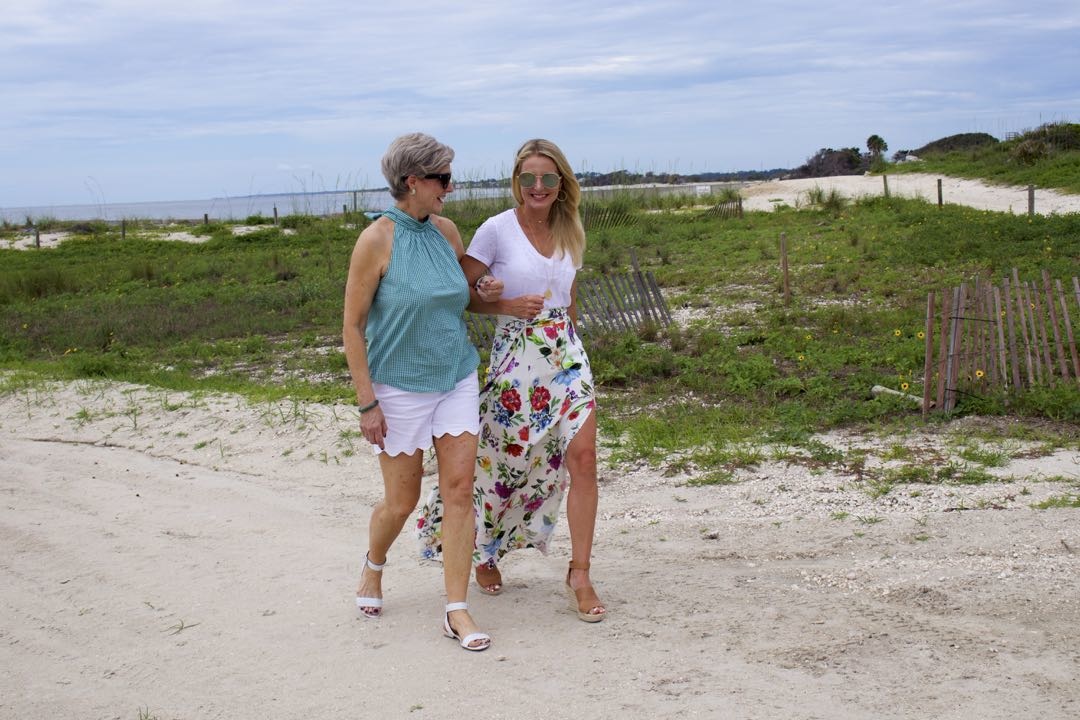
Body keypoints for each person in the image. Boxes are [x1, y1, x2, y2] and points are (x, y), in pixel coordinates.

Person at [417, 138, 606, 622]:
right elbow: (460, 293)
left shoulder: (570, 227)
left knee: (583, 459)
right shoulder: (496, 230)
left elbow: (570, 295)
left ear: (561, 182)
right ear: (517, 182)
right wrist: (499, 302)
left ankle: (579, 573)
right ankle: (483, 550)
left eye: (547, 178)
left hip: (565, 356)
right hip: (515, 358)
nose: (537, 187)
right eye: (528, 178)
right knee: (501, 463)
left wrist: (573, 348)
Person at [342, 132, 502, 651]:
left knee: (459, 493)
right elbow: (352, 325)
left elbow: (460, 300)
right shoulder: (376, 241)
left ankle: (456, 610)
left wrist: (488, 296)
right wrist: (368, 402)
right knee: (401, 501)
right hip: (398, 387)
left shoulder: (448, 231)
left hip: (455, 375)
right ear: (413, 181)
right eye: (443, 179)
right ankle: (374, 565)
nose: (450, 190)